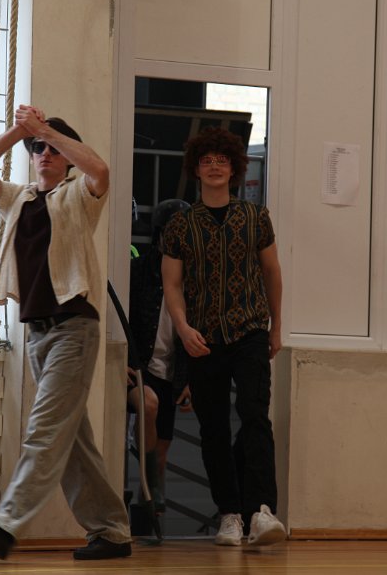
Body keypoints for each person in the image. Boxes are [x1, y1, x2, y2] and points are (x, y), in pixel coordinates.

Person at [0, 105, 132, 561]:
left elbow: (100, 169)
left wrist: (48, 131)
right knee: (72, 442)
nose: (45, 154)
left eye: (54, 148)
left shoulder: (79, 194)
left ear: (67, 157)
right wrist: (21, 131)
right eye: (38, 149)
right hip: (37, 335)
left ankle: (6, 521)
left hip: (75, 328)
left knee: (46, 428)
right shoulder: (16, 199)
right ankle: (112, 531)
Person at [160, 126, 286, 548]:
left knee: (255, 418)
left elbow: (272, 272)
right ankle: (230, 514)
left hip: (250, 329)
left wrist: (276, 326)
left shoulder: (256, 217)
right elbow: (172, 285)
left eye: (222, 160)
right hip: (202, 337)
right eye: (207, 160)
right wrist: (182, 328)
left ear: (234, 169)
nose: (214, 166)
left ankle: (261, 512)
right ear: (196, 169)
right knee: (212, 428)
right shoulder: (180, 225)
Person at [127, 199, 193, 514]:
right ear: (160, 234)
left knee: (162, 455)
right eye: (173, 232)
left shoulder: (194, 280)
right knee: (148, 404)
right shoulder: (138, 270)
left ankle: (148, 514)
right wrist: (124, 361)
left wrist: (189, 379)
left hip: (171, 372)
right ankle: (150, 487)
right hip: (138, 367)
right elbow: (122, 319)